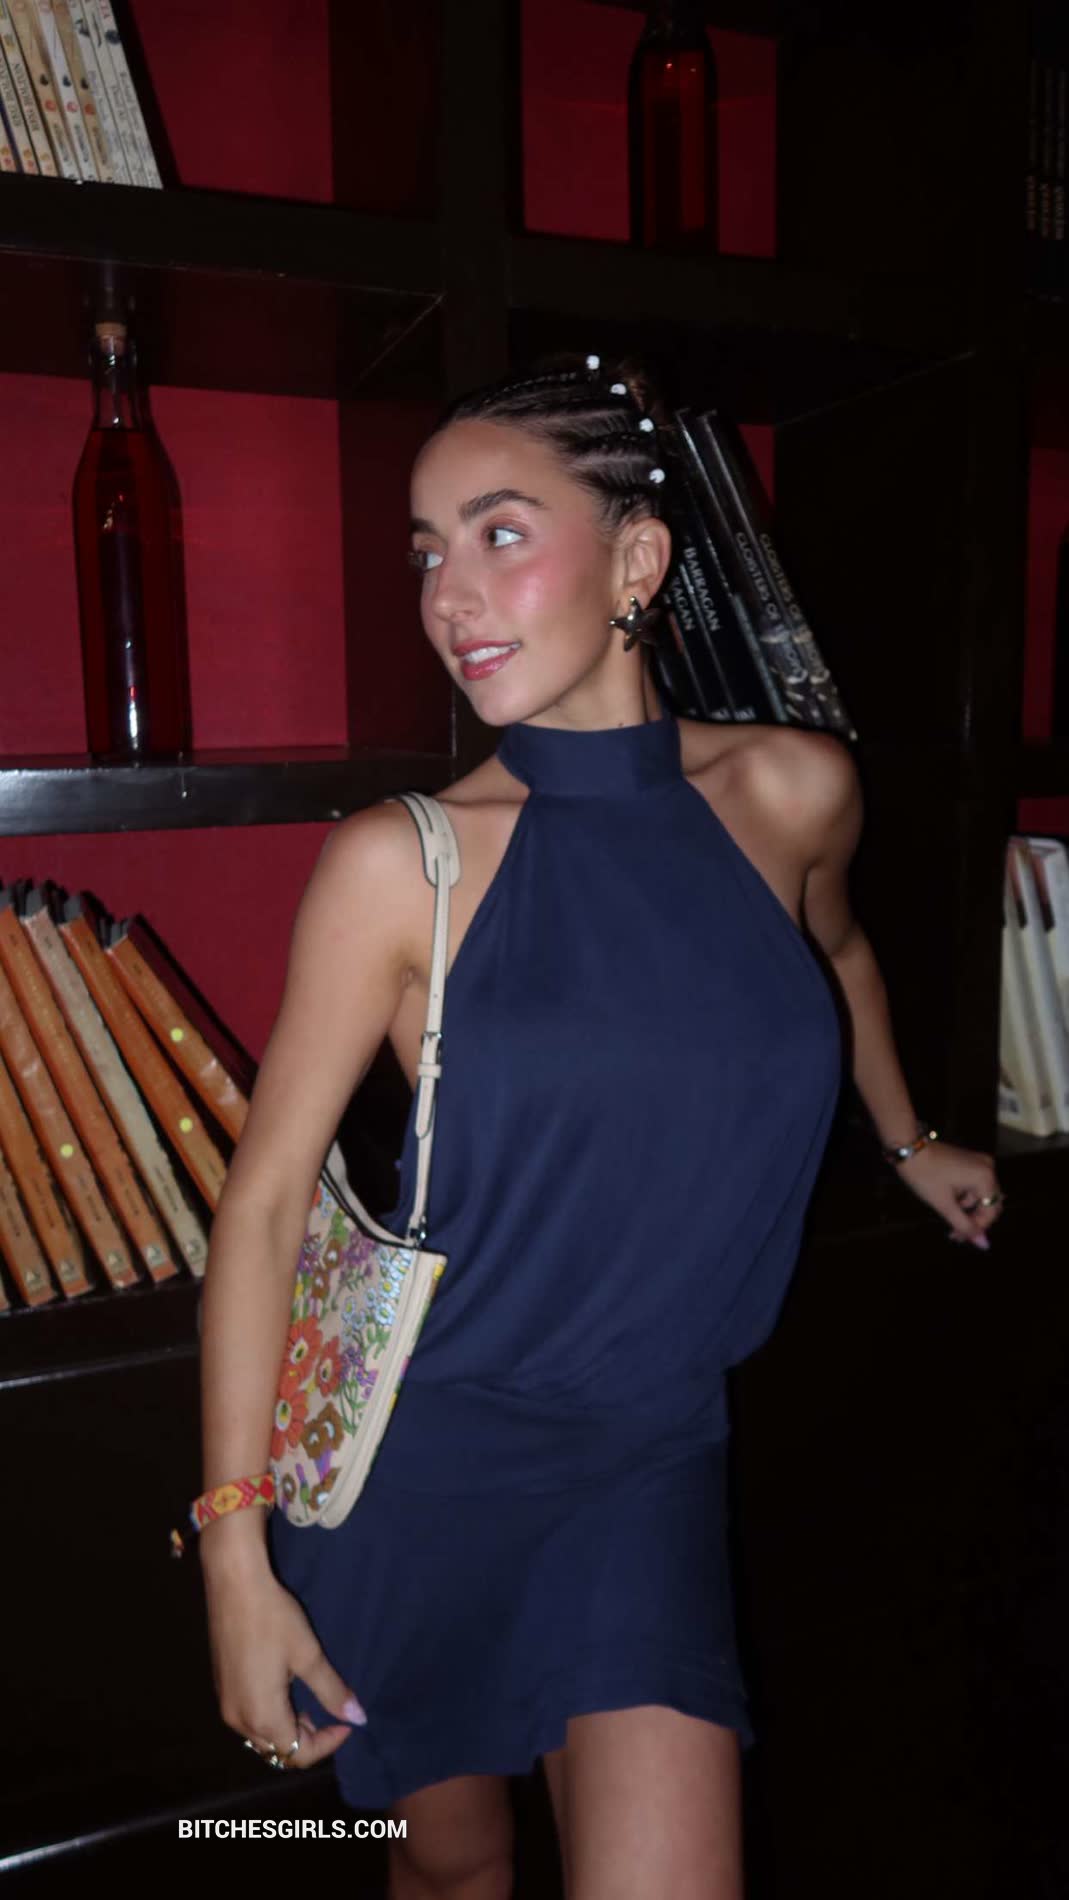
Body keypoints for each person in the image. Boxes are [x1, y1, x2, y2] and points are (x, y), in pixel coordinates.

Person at [194, 353, 1005, 1900]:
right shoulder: (402, 863)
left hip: (646, 1453)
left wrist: (909, 1144)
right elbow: (266, 1200)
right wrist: (234, 1554)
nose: (449, 595)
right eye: (426, 551)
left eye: (499, 532)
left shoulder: (793, 791)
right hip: (416, 1466)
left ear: (637, 560)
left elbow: (835, 957)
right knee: (453, 1870)